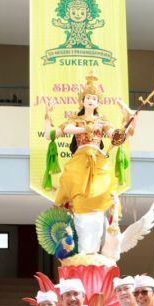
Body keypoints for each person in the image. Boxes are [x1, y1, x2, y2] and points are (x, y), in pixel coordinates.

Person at [51, 72, 137, 254]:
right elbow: (59, 132)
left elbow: (116, 137)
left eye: (94, 98)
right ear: (82, 101)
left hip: (98, 160)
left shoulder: (102, 121)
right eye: (87, 97)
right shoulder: (75, 119)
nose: (90, 100)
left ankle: (93, 249)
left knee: (102, 193)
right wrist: (48, 116)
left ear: (98, 103)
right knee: (72, 183)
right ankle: (83, 248)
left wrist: (128, 118)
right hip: (81, 158)